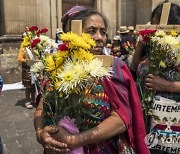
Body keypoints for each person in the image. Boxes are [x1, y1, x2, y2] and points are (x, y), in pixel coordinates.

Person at [34, 7, 149, 154]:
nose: (99, 37)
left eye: (103, 32)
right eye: (91, 31)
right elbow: (41, 109)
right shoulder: (59, 66)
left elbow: (121, 118)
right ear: (74, 35)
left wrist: (74, 140)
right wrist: (40, 133)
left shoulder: (114, 67)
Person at [131, 2, 180, 154]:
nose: (157, 31)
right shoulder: (150, 46)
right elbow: (133, 71)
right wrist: (140, 47)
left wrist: (169, 86)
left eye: (164, 27)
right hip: (145, 119)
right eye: (154, 25)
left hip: (173, 122)